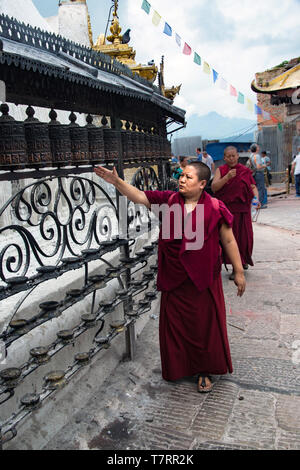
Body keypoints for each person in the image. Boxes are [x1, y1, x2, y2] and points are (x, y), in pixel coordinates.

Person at [94, 162, 246, 394]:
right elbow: (139, 196)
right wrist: (117, 182)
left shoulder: (215, 207)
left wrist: (238, 271)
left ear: (203, 184)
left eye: (189, 177)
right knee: (176, 326)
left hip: (203, 278)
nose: (182, 180)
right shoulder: (169, 201)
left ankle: (205, 369)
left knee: (204, 326)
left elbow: (228, 240)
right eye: (182, 176)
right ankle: (179, 367)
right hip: (175, 276)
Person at [211, 146, 260, 279]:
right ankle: (235, 267)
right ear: (224, 157)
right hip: (227, 211)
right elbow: (214, 188)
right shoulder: (221, 171)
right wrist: (227, 177)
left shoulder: (245, 171)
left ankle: (243, 260)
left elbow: (253, 186)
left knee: (245, 238)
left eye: (233, 156)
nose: (231, 158)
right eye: (228, 156)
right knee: (230, 239)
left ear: (238, 156)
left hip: (243, 210)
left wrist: (256, 199)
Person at [249, 143, 268, 209]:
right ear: (256, 148)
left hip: (253, 174)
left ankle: (254, 204)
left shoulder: (251, 155)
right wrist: (264, 165)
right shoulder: (257, 156)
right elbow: (258, 166)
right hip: (258, 173)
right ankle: (260, 204)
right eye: (257, 147)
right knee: (260, 189)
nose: (258, 147)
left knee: (255, 189)